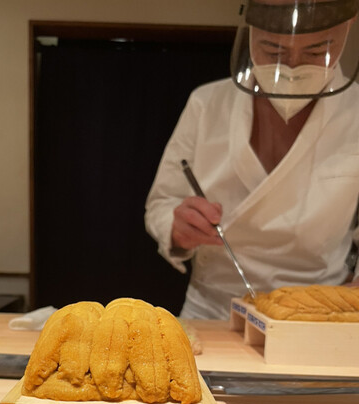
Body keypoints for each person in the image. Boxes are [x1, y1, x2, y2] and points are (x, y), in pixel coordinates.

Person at [145, 0, 359, 319]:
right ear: (250, 33)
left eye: (316, 52)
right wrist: (177, 228)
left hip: (318, 313)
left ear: (349, 26)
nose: (292, 68)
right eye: (273, 51)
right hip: (213, 309)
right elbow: (161, 203)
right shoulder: (207, 104)